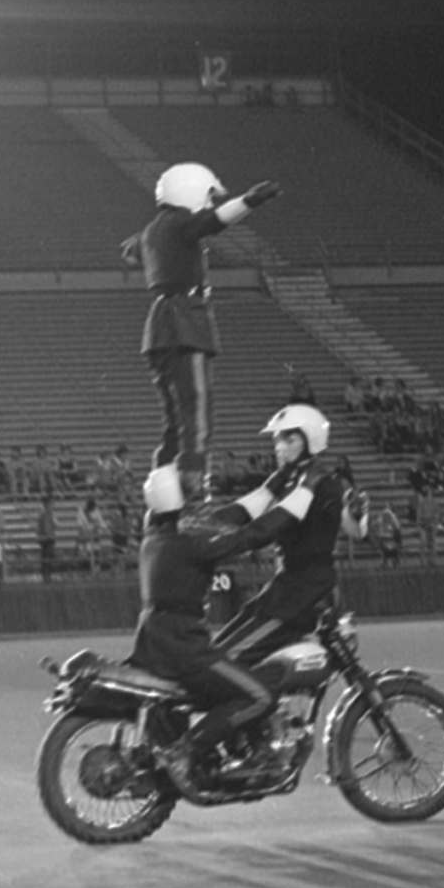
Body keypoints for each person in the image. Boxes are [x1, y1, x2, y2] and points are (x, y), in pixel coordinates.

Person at [123, 161, 282, 500]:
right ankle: (194, 489)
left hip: (160, 325)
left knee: (174, 419)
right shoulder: (180, 222)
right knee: (197, 409)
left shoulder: (152, 229)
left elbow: (133, 249)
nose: (209, 202)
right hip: (185, 320)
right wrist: (251, 200)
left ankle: (163, 489)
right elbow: (214, 221)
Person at [131, 465, 275, 790]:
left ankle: (226, 749)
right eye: (188, 496)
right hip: (185, 647)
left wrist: (271, 488)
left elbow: (226, 520)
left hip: (154, 643)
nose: (195, 504)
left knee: (229, 685)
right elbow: (247, 537)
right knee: (261, 697)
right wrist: (288, 512)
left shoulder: (153, 538)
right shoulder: (189, 544)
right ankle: (188, 749)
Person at [208, 404, 365, 669]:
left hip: (305, 593)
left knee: (230, 661)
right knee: (214, 654)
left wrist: (356, 515)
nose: (279, 446)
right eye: (277, 439)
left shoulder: (322, 482)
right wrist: (206, 524)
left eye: (288, 439)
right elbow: (251, 504)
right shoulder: (288, 477)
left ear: (310, 440)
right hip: (286, 587)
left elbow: (354, 530)